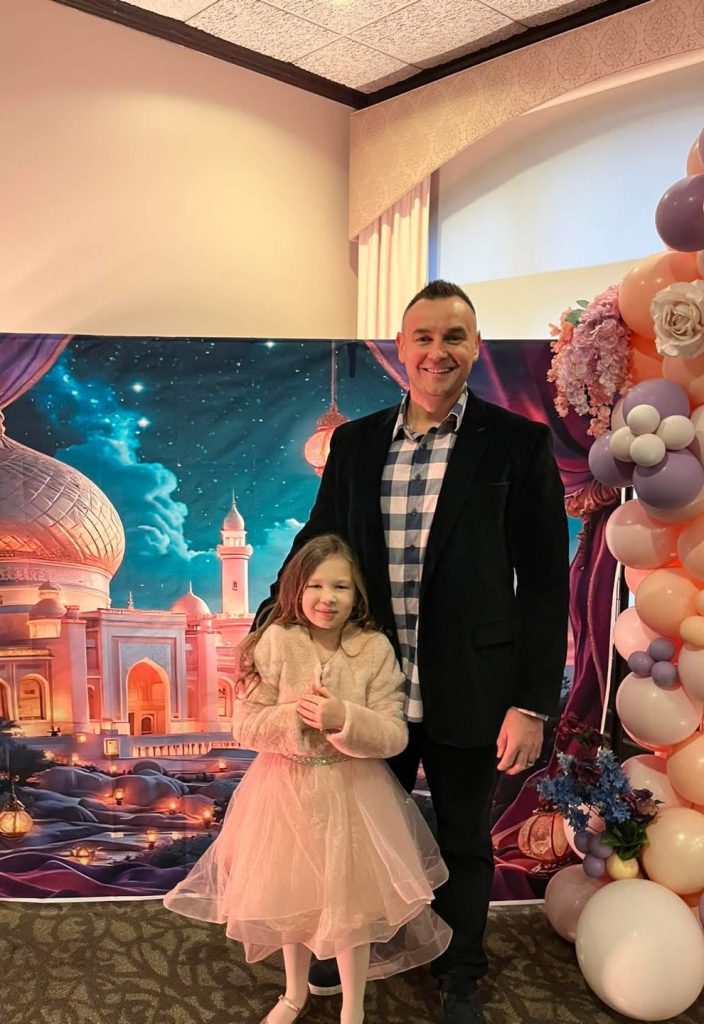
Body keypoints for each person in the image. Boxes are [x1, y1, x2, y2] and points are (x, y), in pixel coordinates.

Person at [256, 281, 570, 1023]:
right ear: (400, 348)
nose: (437, 352)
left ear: (475, 346)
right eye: (423, 337)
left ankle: (459, 973)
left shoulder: (517, 443)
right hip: (367, 692)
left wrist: (530, 705)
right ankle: (355, 951)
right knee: (354, 839)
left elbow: (545, 583)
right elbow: (315, 542)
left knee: (462, 839)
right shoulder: (356, 444)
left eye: (453, 337)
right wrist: (267, 625)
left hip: (473, 686)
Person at [163, 533, 452, 1024]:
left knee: (352, 908)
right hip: (284, 790)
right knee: (290, 896)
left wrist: (344, 719)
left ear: (357, 594)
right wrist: (293, 716)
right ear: (297, 589)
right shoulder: (276, 643)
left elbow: (394, 734)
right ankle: (294, 993)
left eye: (340, 586)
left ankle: (352, 1009)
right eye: (316, 585)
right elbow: (246, 724)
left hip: (354, 792)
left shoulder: (374, 649)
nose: (327, 598)